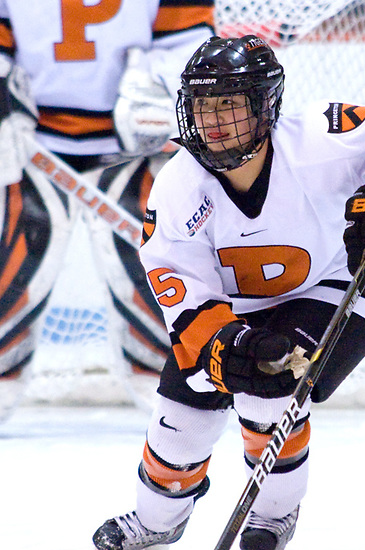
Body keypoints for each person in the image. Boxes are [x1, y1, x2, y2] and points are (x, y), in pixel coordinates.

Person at [88, 35, 365, 550]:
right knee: (179, 417)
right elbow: (183, 292)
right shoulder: (178, 188)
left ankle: (274, 513)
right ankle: (157, 517)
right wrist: (225, 344)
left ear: (266, 106)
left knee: (272, 392)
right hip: (235, 310)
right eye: (204, 105)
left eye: (230, 104)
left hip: (340, 284)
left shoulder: (322, 139)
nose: (214, 121)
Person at [0, 0, 215, 419]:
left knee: (158, 269)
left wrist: (162, 84)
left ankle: (163, 373)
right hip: (28, 139)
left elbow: (189, 40)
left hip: (136, 145)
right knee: (10, 266)